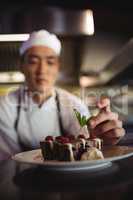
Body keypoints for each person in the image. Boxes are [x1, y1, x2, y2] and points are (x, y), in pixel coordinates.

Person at [0, 30, 125, 160]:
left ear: (57, 67)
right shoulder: (5, 106)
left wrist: (100, 138)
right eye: (33, 61)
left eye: (50, 62)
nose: (42, 70)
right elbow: (9, 161)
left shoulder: (74, 105)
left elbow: (86, 151)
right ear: (22, 66)